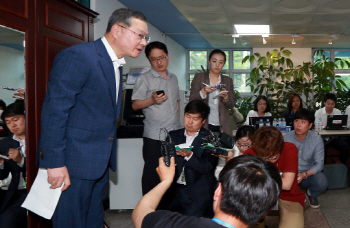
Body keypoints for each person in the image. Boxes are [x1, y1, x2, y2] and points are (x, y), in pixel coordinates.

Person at [37, 8, 148, 228]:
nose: (144, 42)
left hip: (98, 164)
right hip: (71, 165)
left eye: (146, 37)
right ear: (117, 30)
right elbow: (55, 112)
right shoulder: (80, 56)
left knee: (93, 220)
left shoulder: (115, 65)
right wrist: (55, 162)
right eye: (140, 35)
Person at [131, 154, 282, 228]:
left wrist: (165, 181)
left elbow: (140, 214)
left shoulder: (180, 224)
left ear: (218, 191)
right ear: (264, 211)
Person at [132, 41, 182, 195]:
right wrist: (152, 100)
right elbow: (135, 105)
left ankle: (168, 212)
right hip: (154, 136)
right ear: (149, 60)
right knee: (152, 177)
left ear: (168, 56)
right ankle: (149, 212)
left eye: (161, 57)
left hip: (174, 134)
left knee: (173, 173)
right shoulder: (144, 79)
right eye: (154, 59)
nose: (159, 62)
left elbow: (176, 101)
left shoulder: (173, 78)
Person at [244, 126, 305, 228]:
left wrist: (256, 177)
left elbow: (287, 184)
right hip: (259, 196)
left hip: (288, 196)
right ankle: (259, 221)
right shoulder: (249, 154)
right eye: (262, 158)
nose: (267, 161)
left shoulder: (289, 148)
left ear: (280, 149)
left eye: (272, 157)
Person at [165, 100, 218, 217]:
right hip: (175, 192)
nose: (190, 121)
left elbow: (207, 167)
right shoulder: (173, 135)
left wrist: (189, 155)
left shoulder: (209, 139)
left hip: (197, 193)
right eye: (187, 116)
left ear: (203, 121)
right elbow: (165, 161)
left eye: (195, 119)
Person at [284, 108, 328, 209]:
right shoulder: (286, 138)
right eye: (296, 121)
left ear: (310, 125)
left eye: (303, 122)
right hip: (289, 173)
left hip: (307, 174)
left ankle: (311, 194)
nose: (298, 125)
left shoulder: (316, 139)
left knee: (322, 182)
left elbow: (319, 164)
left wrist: (304, 174)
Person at [189, 49, 235, 136]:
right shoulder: (199, 78)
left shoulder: (228, 81)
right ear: (209, 62)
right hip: (204, 124)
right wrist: (203, 91)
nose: (217, 65)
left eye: (221, 62)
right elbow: (191, 100)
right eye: (214, 61)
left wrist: (226, 97)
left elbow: (231, 104)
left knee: (223, 149)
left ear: (223, 64)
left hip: (223, 125)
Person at [0, 102, 27, 228]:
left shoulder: (40, 139)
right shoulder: (5, 143)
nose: (12, 125)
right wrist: (0, 164)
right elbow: (2, 175)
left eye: (15, 120)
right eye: (8, 122)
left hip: (37, 190)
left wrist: (21, 160)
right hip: (15, 192)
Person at [314, 93, 349, 164]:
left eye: (332, 104)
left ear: (335, 104)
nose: (330, 106)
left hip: (334, 137)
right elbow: (317, 126)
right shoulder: (318, 113)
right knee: (321, 148)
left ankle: (341, 165)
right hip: (322, 138)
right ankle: (321, 168)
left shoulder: (338, 112)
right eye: (328, 103)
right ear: (324, 103)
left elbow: (342, 124)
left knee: (345, 146)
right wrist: (325, 127)